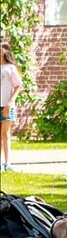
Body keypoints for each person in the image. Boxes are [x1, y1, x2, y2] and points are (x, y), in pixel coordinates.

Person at [0, 44, 22, 173]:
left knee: (5, 134)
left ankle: (8, 163)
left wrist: (10, 102)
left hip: (7, 105)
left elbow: (18, 85)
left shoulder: (10, 68)